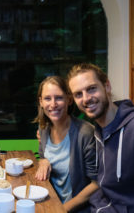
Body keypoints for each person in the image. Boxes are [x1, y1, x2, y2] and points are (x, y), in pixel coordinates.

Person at [67, 63, 134, 212]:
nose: (86, 99)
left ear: (107, 86)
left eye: (91, 89)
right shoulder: (98, 131)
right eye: (78, 94)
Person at [34, 76, 98, 213]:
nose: (53, 104)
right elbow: (42, 155)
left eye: (58, 98)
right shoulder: (43, 128)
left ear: (69, 100)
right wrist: (44, 161)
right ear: (40, 102)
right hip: (49, 203)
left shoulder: (85, 133)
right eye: (47, 98)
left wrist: (63, 209)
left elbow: (97, 184)